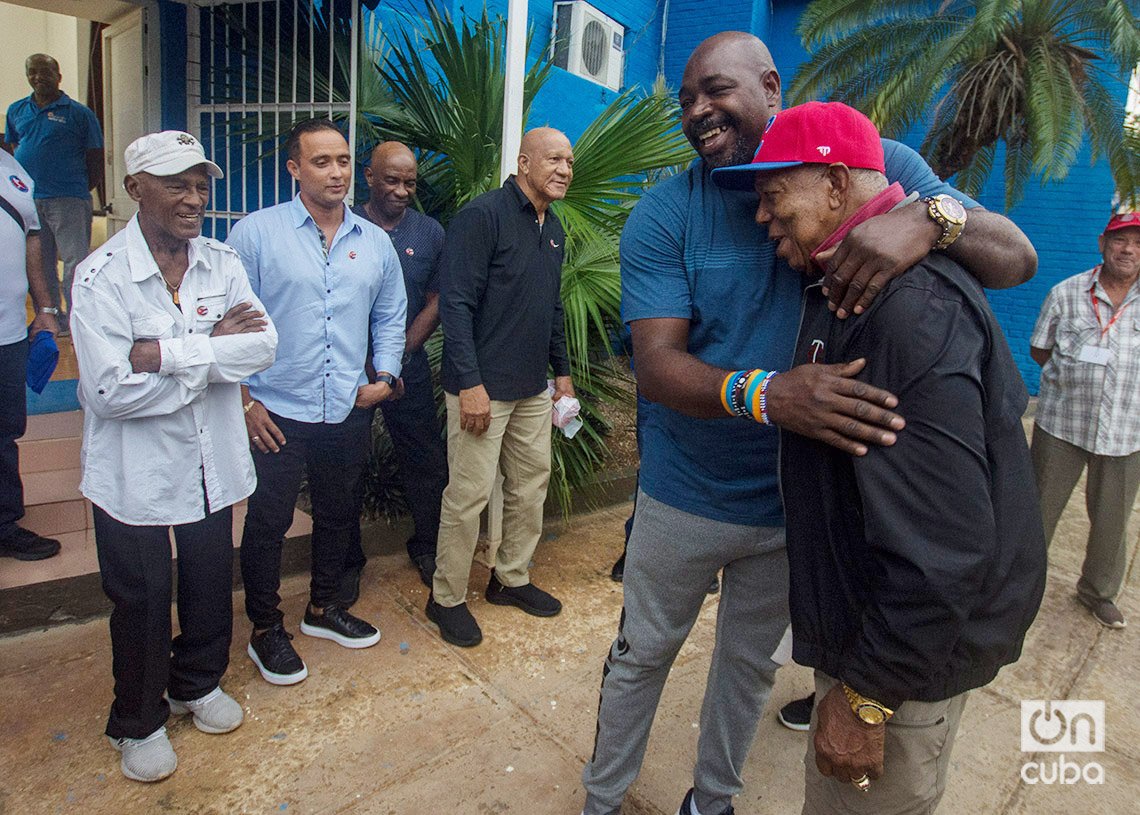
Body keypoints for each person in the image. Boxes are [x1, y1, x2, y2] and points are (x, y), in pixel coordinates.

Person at [581, 32, 1038, 815]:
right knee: (642, 652)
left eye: (715, 90)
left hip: (796, 505)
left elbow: (1015, 254)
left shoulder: (876, 164)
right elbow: (656, 364)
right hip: (685, 492)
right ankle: (603, 795)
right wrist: (768, 395)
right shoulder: (666, 211)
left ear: (771, 84)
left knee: (748, 665)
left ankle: (713, 799)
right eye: (685, 99)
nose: (697, 111)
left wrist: (929, 219)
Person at [713, 100, 1045, 814]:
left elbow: (944, 547)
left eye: (774, 198)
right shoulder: (854, 280)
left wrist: (866, 695)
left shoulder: (907, 310)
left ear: (836, 185)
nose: (764, 219)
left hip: (900, 672)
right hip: (884, 646)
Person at [70, 130, 277, 782]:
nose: (194, 198)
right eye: (176, 184)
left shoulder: (221, 262)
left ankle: (198, 683)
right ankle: (138, 720)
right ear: (135, 189)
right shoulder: (100, 277)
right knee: (142, 595)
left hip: (210, 459)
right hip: (133, 471)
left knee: (211, 578)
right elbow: (109, 391)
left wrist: (164, 353)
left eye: (200, 183)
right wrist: (211, 350)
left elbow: (263, 345)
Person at [228, 118, 407, 686]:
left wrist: (386, 374)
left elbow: (390, 314)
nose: (336, 172)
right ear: (294, 169)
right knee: (269, 521)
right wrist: (244, 401)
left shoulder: (374, 242)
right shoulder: (255, 235)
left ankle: (324, 606)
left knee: (338, 512)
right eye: (321, 162)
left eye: (343, 161)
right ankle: (264, 627)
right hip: (276, 409)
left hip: (346, 405)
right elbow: (223, 322)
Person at [429, 127, 575, 648]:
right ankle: (445, 597)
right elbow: (457, 304)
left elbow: (551, 306)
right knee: (468, 496)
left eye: (569, 162)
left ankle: (509, 578)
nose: (564, 170)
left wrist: (562, 374)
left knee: (530, 485)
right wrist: (469, 383)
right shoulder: (482, 217)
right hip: (482, 390)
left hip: (534, 389)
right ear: (523, 162)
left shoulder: (552, 227)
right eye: (554, 159)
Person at [343, 141, 448, 596]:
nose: (403, 191)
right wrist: (372, 365)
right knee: (345, 465)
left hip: (409, 366)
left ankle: (427, 546)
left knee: (425, 460)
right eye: (392, 180)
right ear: (368, 176)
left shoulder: (429, 233)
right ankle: (346, 563)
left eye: (410, 183)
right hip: (347, 368)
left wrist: (396, 358)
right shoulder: (345, 225)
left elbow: (437, 300)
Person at [1030, 211, 1140, 629]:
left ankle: (1098, 592)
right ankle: (1022, 588)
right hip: (1062, 425)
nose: (1128, 250)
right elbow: (1040, 351)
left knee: (1112, 519)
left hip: (1127, 429)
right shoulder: (1066, 293)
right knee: (1038, 510)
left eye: (1137, 243)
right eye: (1120, 240)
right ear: (1102, 243)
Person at [5, 54, 104, 335]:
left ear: (58, 76)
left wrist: (81, 189)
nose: (38, 77)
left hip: (69, 198)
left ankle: (78, 320)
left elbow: (95, 156)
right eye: (32, 72)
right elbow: (14, 150)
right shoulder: (16, 110)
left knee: (75, 263)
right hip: (30, 201)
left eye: (45, 72)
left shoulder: (78, 113)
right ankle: (52, 318)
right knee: (40, 262)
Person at [0, 147, 61, 561]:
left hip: (7, 331)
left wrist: (45, 309)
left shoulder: (12, 167)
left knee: (5, 430)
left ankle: (4, 524)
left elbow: (32, 239)